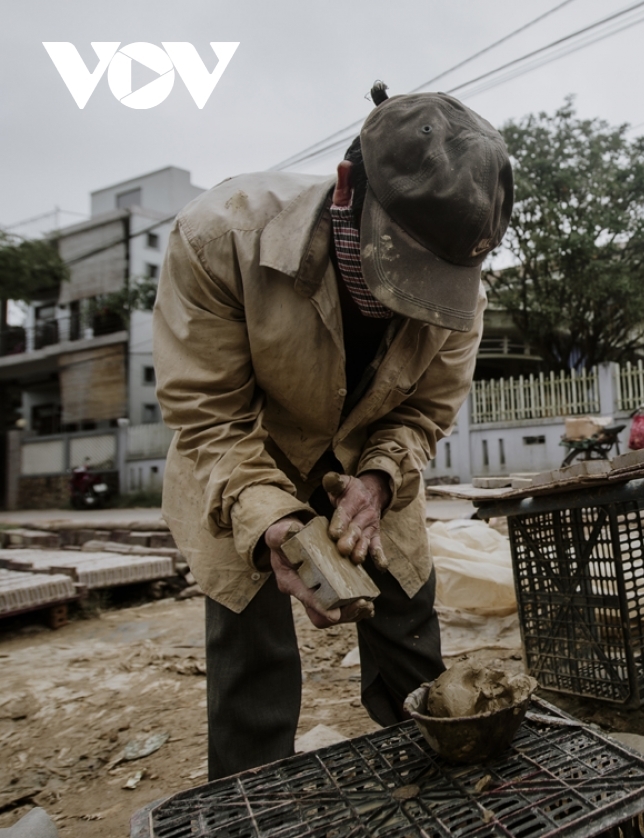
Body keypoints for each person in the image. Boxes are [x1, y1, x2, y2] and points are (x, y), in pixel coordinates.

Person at [152, 86, 513, 780]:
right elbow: (209, 414)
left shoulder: (460, 298)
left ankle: (437, 787)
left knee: (410, 626)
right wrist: (273, 523)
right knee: (252, 655)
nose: (412, 298)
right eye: (403, 268)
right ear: (348, 188)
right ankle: (249, 806)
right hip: (244, 459)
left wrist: (378, 482)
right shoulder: (220, 237)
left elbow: (423, 415)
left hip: (368, 468)